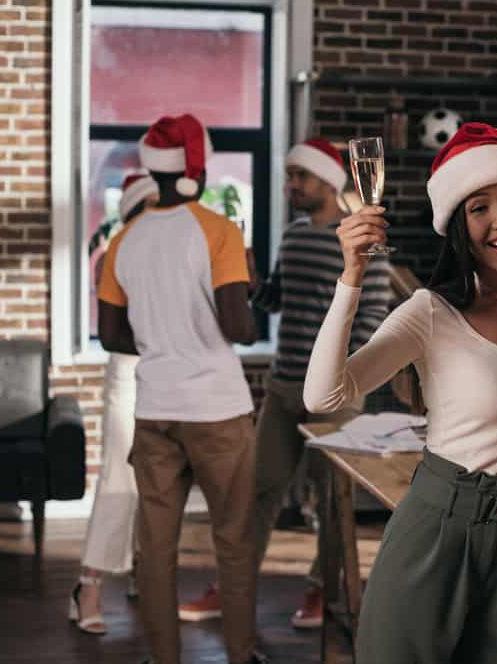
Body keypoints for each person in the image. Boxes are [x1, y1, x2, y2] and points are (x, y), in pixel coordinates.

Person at [304, 123, 497, 664]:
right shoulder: (431, 313)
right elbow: (324, 396)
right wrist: (351, 276)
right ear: (458, 224)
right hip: (438, 530)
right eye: (479, 207)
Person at [177, 138, 391, 628]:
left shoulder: (363, 239)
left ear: (330, 181)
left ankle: (322, 590)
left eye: (301, 176)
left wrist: (342, 375)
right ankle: (232, 584)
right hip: (283, 385)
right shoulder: (293, 236)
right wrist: (255, 287)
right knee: (256, 490)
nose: (291, 185)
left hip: (336, 393)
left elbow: (373, 316)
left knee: (331, 502)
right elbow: (278, 301)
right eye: (291, 175)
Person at [97, 113, 266, 664]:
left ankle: (163, 657)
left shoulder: (123, 240)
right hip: (218, 412)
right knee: (234, 545)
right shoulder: (219, 231)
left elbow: (113, 337)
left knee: (156, 551)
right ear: (197, 166)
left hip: (155, 412)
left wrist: (163, 337)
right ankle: (240, 656)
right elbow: (240, 328)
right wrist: (248, 280)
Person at [70, 173, 158, 635]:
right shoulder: (116, 254)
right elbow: (114, 332)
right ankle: (88, 587)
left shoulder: (174, 250)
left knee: (159, 480)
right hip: (128, 373)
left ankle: (145, 571)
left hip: (166, 375)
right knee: (120, 480)